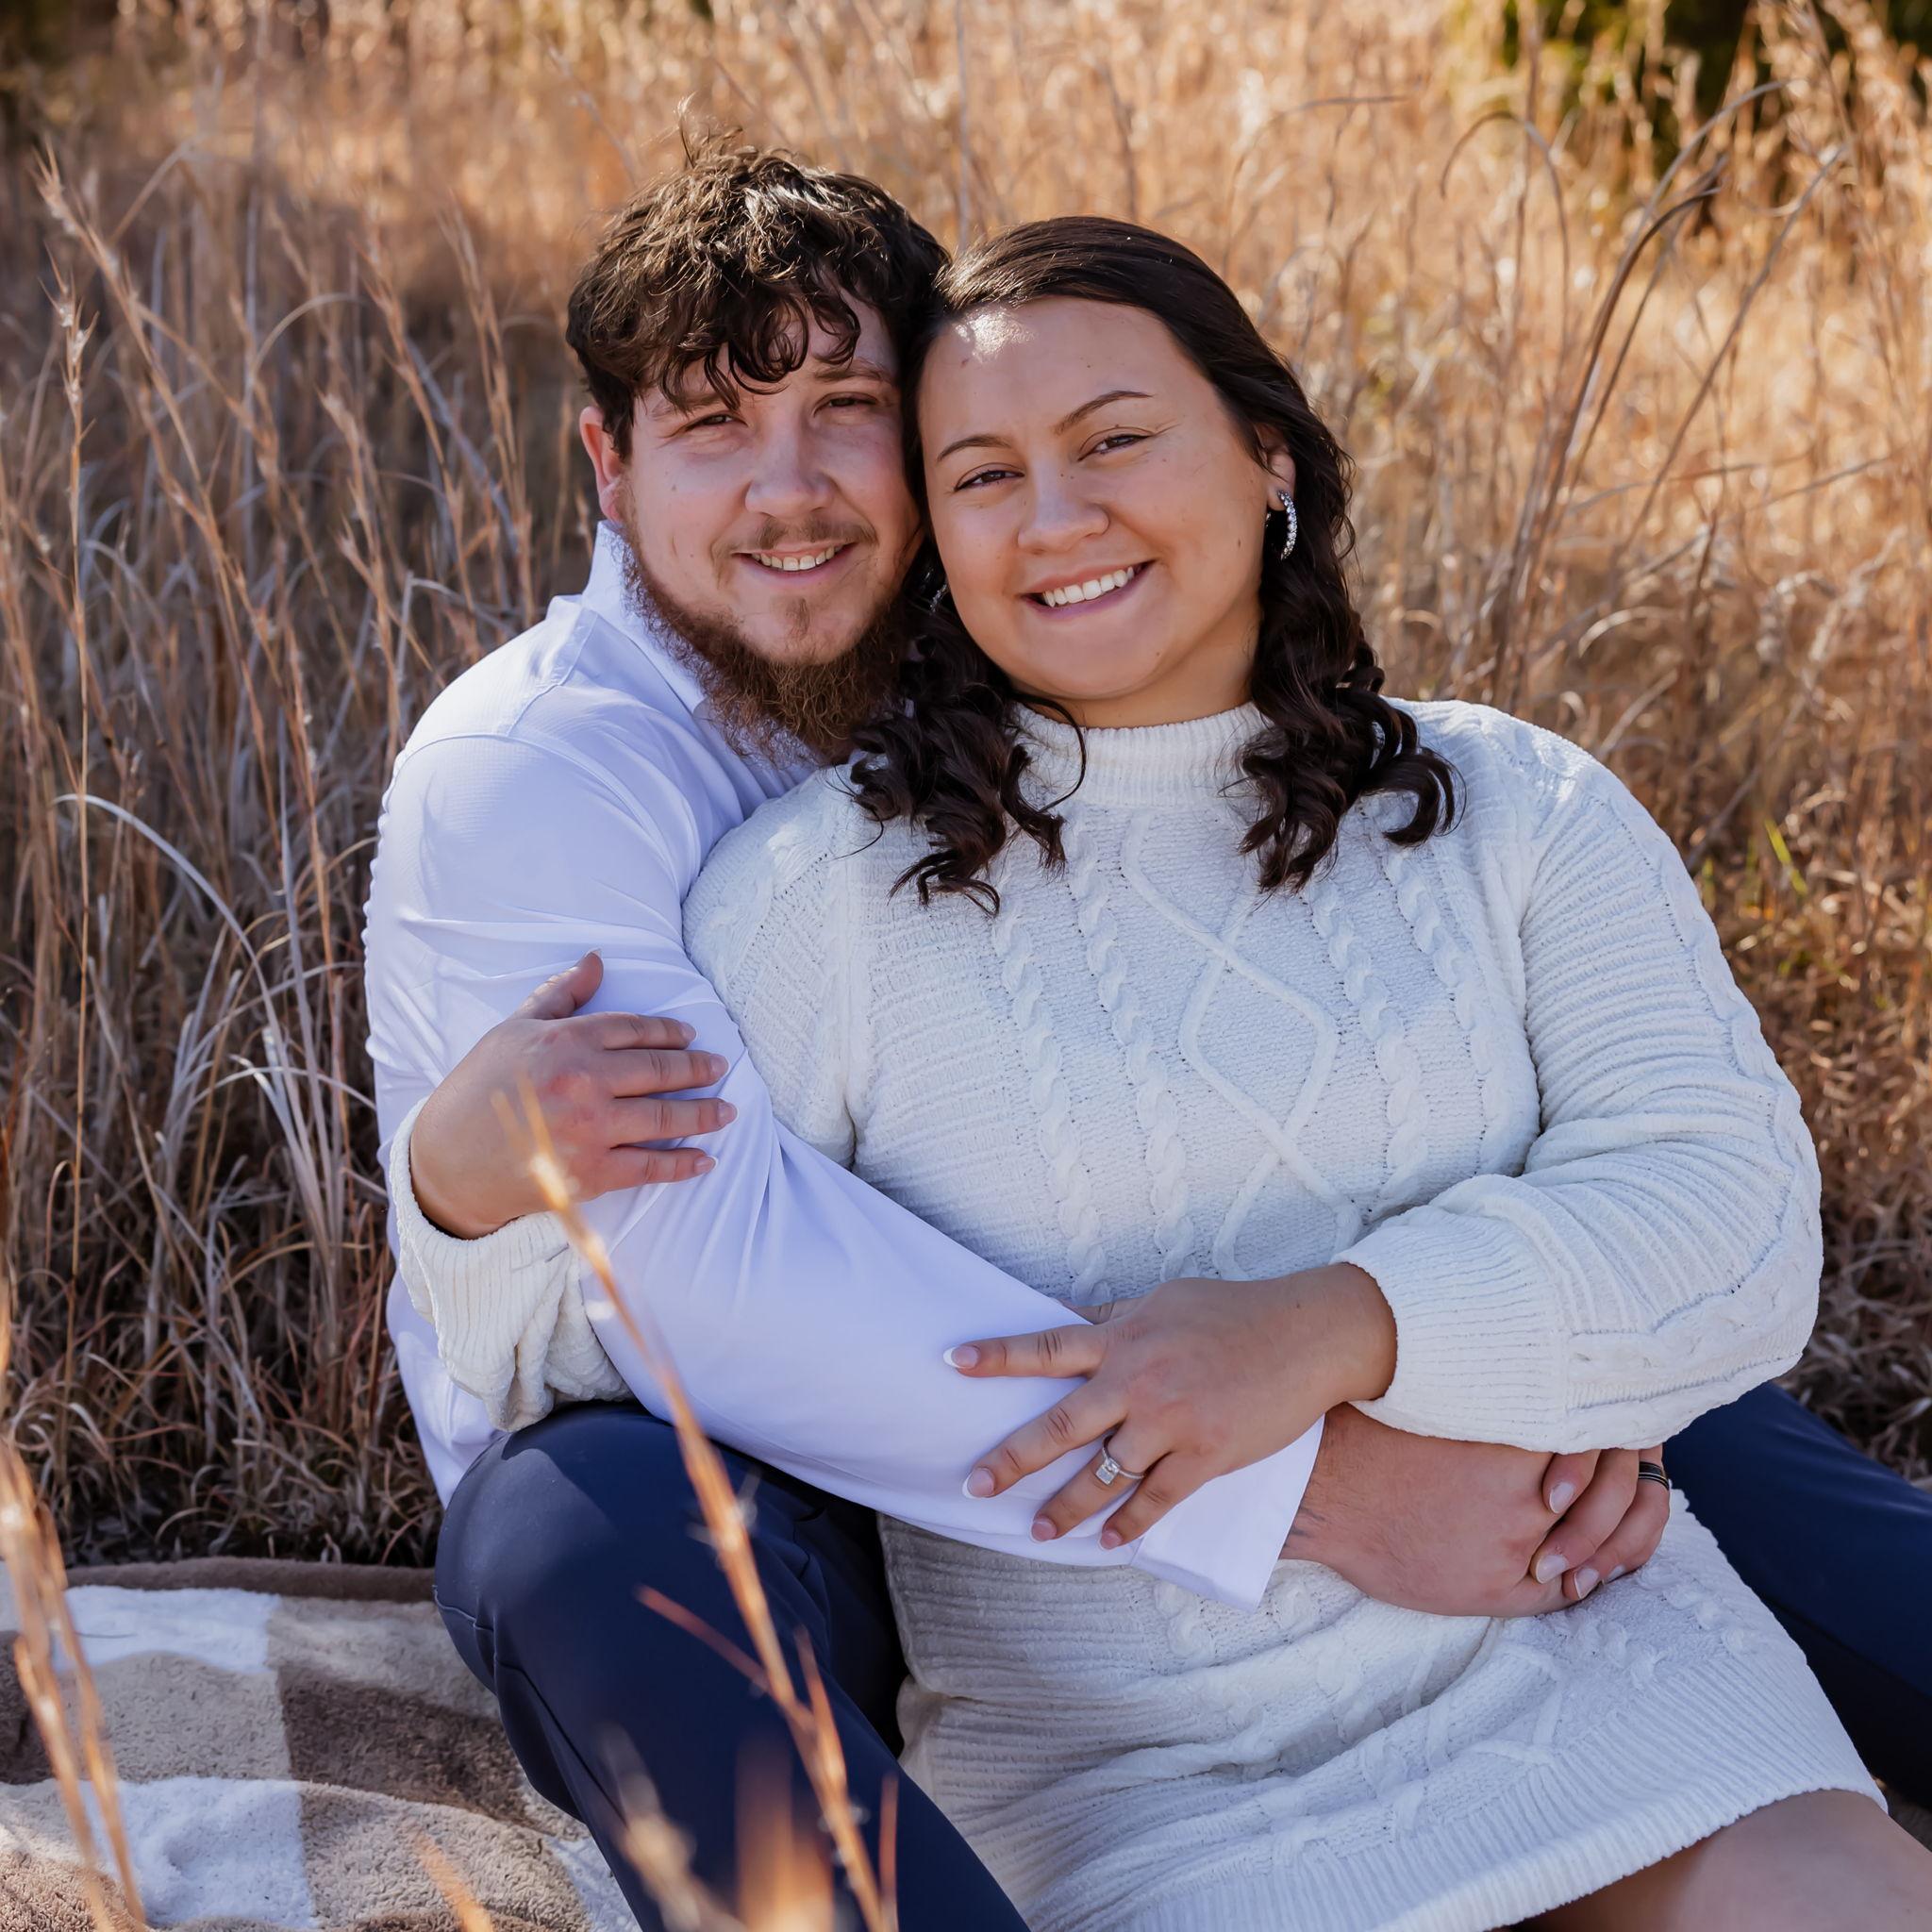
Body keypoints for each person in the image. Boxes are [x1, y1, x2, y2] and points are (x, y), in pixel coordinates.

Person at [362, 144, 1932, 1928]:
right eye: (717, 425)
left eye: (851, 414)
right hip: (900, 1562)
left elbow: (1719, 1208)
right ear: (609, 463)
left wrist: (1361, 1333)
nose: (794, 489)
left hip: (1554, 1635)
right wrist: (455, 1188)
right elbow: (675, 1280)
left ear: (1271, 455)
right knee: (582, 1526)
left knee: (1677, 1399)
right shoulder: (608, 804)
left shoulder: (1507, 803)